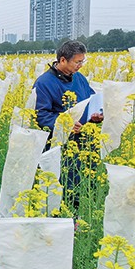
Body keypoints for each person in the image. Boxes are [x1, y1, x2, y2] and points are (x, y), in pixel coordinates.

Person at [33, 40, 103, 210]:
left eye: (82, 61)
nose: (80, 66)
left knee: (87, 181)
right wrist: (66, 124)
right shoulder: (44, 83)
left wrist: (97, 114)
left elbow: (91, 99)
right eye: (77, 62)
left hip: (85, 141)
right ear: (63, 60)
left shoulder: (79, 78)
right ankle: (68, 218)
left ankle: (84, 217)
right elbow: (41, 116)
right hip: (62, 145)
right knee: (68, 186)